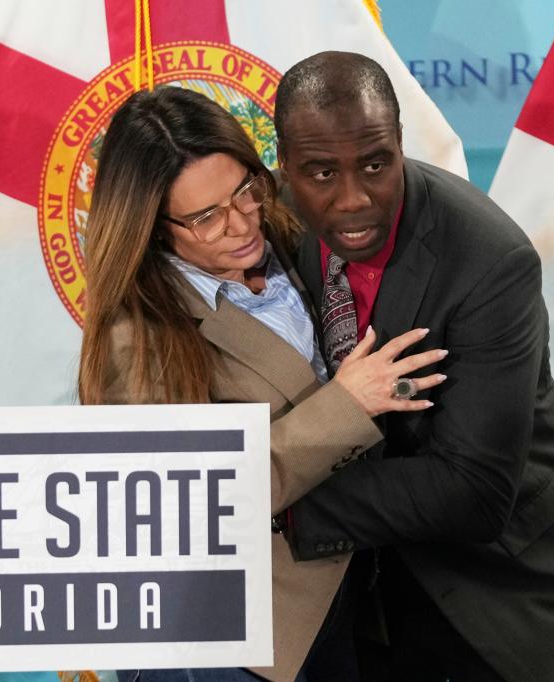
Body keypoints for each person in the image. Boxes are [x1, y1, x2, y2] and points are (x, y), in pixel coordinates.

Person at [78, 85, 446, 682]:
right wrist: (345, 406)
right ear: (151, 226)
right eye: (205, 217)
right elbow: (183, 505)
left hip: (346, 600)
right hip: (225, 643)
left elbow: (363, 370)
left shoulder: (293, 236)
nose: (240, 223)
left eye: (245, 189)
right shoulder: (136, 338)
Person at [273, 51, 554, 682]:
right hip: (369, 598)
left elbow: (474, 491)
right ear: (285, 168)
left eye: (376, 165)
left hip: (503, 601)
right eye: (321, 172)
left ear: (400, 146)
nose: (352, 200)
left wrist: (277, 500)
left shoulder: (488, 261)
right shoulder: (272, 217)